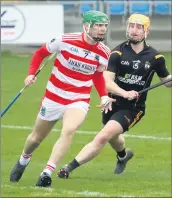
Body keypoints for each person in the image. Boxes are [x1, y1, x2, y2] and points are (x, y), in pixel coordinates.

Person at [9, 10, 117, 187]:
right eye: (98, 25)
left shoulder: (105, 52)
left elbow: (98, 76)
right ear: (86, 26)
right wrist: (30, 74)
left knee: (69, 130)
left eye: (104, 26)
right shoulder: (64, 40)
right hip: (53, 97)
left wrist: (104, 96)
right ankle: (23, 159)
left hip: (79, 98)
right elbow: (40, 54)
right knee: (35, 138)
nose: (102, 30)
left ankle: (47, 172)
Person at [57, 13, 172, 179]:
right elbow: (106, 81)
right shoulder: (117, 53)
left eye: (138, 27)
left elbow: (166, 82)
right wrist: (125, 93)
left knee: (104, 135)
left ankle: (68, 168)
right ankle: (123, 156)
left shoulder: (156, 57)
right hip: (111, 103)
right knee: (113, 136)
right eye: (131, 26)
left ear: (146, 31)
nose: (133, 30)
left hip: (133, 108)